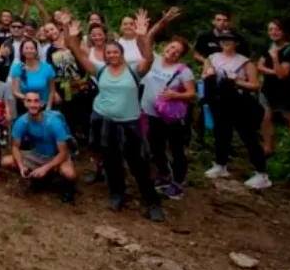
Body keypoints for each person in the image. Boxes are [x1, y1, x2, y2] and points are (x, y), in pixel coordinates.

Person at [65, 13, 165, 222]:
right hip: (106, 122)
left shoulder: (134, 71)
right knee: (111, 161)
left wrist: (141, 36)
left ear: (121, 53)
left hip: (129, 124)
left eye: (114, 52)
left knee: (138, 163)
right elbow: (79, 55)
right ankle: (117, 194)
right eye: (108, 52)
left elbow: (149, 58)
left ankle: (152, 202)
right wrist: (71, 35)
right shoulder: (101, 70)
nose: (111, 55)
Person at [203, 30, 270, 189]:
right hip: (219, 101)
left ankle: (261, 173)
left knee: (248, 136)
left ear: (236, 43)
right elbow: (204, 75)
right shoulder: (212, 58)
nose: (225, 42)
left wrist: (238, 80)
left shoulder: (245, 62)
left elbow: (255, 85)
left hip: (240, 103)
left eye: (229, 39)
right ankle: (220, 164)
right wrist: (208, 75)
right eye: (222, 39)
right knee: (221, 134)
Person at [140, 27, 195, 200]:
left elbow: (191, 94)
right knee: (156, 148)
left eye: (177, 51)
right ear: (165, 46)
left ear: (181, 55)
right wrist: (159, 25)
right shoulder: (153, 60)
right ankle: (163, 175)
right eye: (171, 48)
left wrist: (176, 95)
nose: (172, 52)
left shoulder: (183, 71)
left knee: (176, 150)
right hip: (151, 114)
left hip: (171, 118)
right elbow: (144, 42)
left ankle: (178, 183)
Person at [3, 91, 77, 202]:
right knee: (6, 161)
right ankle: (35, 179)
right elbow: (15, 147)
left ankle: (66, 188)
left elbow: (63, 152)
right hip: (37, 154)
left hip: (55, 156)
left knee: (69, 173)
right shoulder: (21, 121)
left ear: (42, 104)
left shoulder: (53, 122)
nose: (33, 104)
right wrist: (21, 166)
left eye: (36, 101)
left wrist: (45, 168)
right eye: (29, 101)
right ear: (24, 103)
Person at [258, 18, 290, 155]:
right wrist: (274, 71)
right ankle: (267, 149)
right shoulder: (270, 46)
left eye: (277, 29)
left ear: (284, 31)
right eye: (271, 29)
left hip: (286, 91)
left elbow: (283, 75)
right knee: (266, 118)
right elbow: (260, 66)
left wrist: (274, 59)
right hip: (268, 89)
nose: (273, 32)